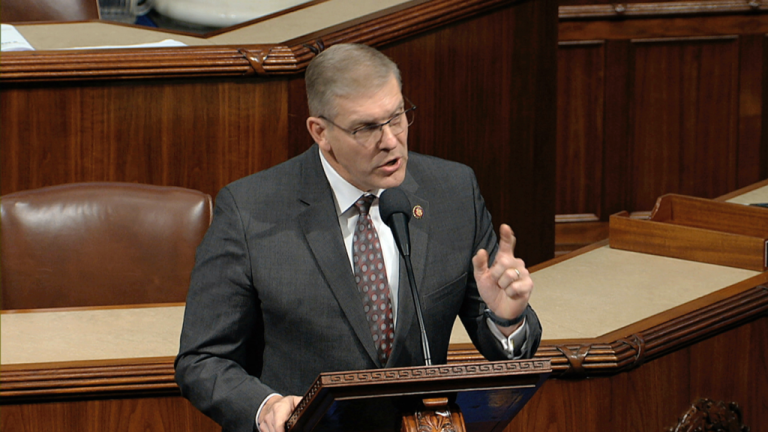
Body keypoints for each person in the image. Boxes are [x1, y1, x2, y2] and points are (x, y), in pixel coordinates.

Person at [175, 43, 542, 432]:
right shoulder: (250, 210)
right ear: (321, 132)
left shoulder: (453, 192)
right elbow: (202, 359)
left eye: (397, 117)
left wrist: (507, 319)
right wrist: (265, 406)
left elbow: (503, 345)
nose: (390, 141)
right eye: (366, 128)